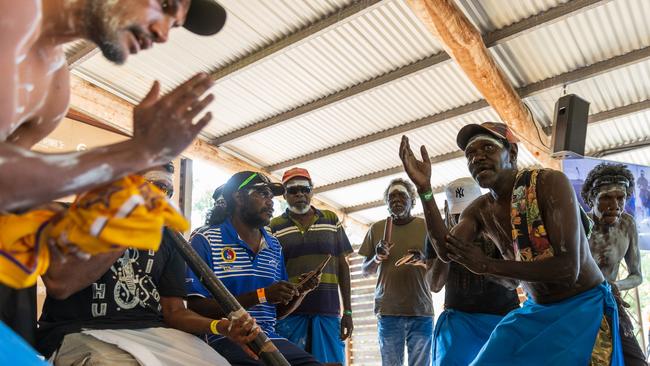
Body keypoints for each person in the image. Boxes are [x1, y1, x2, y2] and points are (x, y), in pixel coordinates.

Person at [1, 0, 226, 358]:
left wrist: (114, 220)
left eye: (176, 25)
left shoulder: (54, 90)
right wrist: (136, 154)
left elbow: (55, 271)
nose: (163, 33)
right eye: (166, 6)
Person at [399, 122, 623, 365]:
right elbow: (445, 251)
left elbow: (568, 269)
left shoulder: (549, 184)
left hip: (582, 308)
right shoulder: (479, 211)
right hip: (536, 310)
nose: (477, 158)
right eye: (470, 154)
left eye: (487, 148)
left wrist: (487, 265)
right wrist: (424, 190)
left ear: (512, 153)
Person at [36, 163, 259, 365]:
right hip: (78, 330)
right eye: (157, 187)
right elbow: (61, 284)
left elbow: (175, 312)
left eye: (168, 192)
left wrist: (219, 326)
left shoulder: (167, 237)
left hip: (150, 332)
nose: (163, 199)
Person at [186, 171, 323, 366]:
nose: (271, 202)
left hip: (268, 338)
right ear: (239, 197)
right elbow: (195, 306)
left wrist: (301, 291)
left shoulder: (274, 246)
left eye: (271, 196)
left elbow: (274, 312)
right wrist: (262, 294)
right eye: (263, 194)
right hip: (224, 338)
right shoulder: (205, 240)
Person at [404, 177, 520, 366]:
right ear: (447, 210)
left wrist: (482, 264)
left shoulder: (500, 226)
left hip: (501, 318)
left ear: (480, 206)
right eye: (457, 214)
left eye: (468, 212)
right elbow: (434, 284)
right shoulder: (437, 234)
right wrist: (446, 248)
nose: (462, 220)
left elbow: (514, 282)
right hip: (458, 322)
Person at [269, 167, 354, 364]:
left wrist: (347, 311)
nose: (300, 194)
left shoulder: (331, 220)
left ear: (312, 191)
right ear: (285, 194)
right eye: (293, 190)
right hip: (289, 314)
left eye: (305, 189)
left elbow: (343, 265)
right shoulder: (273, 226)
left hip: (327, 311)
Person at [358, 178, 433, 366]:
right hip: (389, 310)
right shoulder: (376, 229)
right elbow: (365, 271)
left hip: (420, 310)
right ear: (386, 202)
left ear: (412, 201)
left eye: (402, 195)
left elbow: (439, 266)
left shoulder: (425, 227)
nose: (396, 199)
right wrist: (377, 258)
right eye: (391, 196)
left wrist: (423, 261)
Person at [581, 162, 646, 365]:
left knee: (636, 361)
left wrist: (614, 286)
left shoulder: (627, 224)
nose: (615, 205)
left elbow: (637, 276)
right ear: (591, 198)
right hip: (576, 306)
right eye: (606, 198)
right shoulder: (578, 225)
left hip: (609, 305)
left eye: (621, 198)